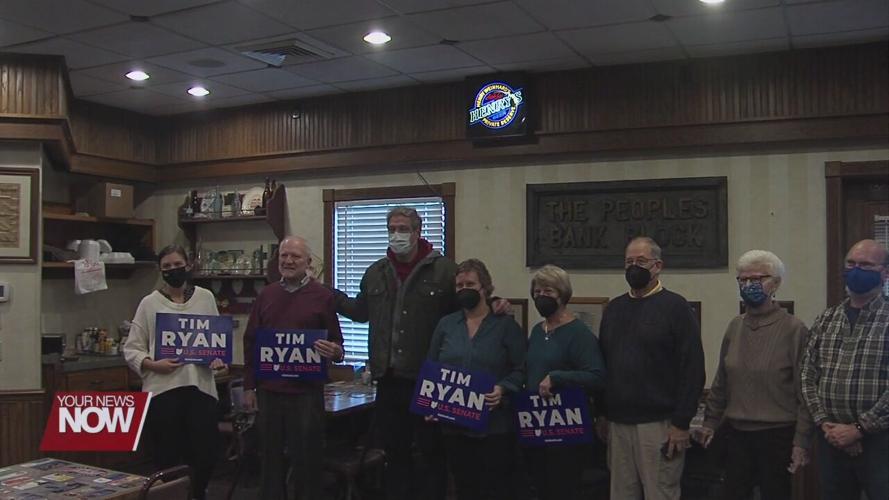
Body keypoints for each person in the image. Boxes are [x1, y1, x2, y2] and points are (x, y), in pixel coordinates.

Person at [334, 206, 456, 500]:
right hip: (387, 379)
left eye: (403, 229)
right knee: (394, 454)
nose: (397, 235)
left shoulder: (444, 270)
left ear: (417, 231)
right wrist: (331, 296)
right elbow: (361, 312)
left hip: (428, 380)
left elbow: (462, 318)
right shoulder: (376, 272)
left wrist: (497, 307)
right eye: (392, 229)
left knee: (430, 455)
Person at [693, 250, 812, 500]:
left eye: (757, 279)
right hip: (736, 435)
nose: (749, 285)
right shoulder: (735, 326)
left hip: (777, 436)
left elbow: (805, 391)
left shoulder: (794, 329)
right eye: (743, 280)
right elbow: (721, 382)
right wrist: (709, 423)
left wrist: (801, 441)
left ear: (776, 283)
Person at [597, 236, 705, 500]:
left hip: (660, 425)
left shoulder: (676, 307)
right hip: (618, 425)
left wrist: (681, 424)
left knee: (661, 493)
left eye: (641, 261)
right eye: (629, 262)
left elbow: (693, 369)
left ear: (658, 266)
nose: (634, 267)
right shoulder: (614, 309)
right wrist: (600, 413)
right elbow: (603, 363)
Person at [242, 236, 344, 500]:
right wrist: (249, 387)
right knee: (270, 462)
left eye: (295, 256)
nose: (288, 261)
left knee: (308, 462)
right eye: (283, 256)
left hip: (306, 394)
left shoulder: (323, 296)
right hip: (269, 392)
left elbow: (337, 343)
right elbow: (251, 341)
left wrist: (335, 351)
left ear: (308, 263)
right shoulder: (266, 294)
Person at [123, 244, 226, 500]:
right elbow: (132, 349)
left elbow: (215, 343)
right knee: (167, 455)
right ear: (161, 271)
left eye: (177, 264)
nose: (173, 270)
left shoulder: (205, 298)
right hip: (163, 390)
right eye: (166, 267)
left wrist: (217, 359)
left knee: (205, 453)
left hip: (200, 388)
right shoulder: (149, 303)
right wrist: (152, 364)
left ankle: (197, 494)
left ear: (187, 265)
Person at [426, 259, 527, 500]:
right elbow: (432, 367)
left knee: (494, 489)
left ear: (485, 288)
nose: (464, 289)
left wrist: (503, 388)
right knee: (464, 487)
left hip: (494, 425)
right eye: (459, 285)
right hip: (453, 424)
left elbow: (523, 367)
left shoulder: (505, 325)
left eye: (470, 284)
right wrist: (429, 402)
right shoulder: (446, 325)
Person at [800, 239, 888, 500]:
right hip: (831, 441)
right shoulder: (827, 318)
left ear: (884, 273)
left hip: (881, 443)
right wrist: (825, 424)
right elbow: (807, 375)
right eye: (851, 263)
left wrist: (859, 429)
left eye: (866, 265)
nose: (856, 270)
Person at [524, 264, 606, 500]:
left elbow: (597, 376)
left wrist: (558, 377)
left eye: (547, 291)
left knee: (563, 488)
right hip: (536, 424)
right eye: (537, 292)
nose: (541, 296)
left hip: (566, 428)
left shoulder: (579, 333)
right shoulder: (538, 331)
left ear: (562, 294)